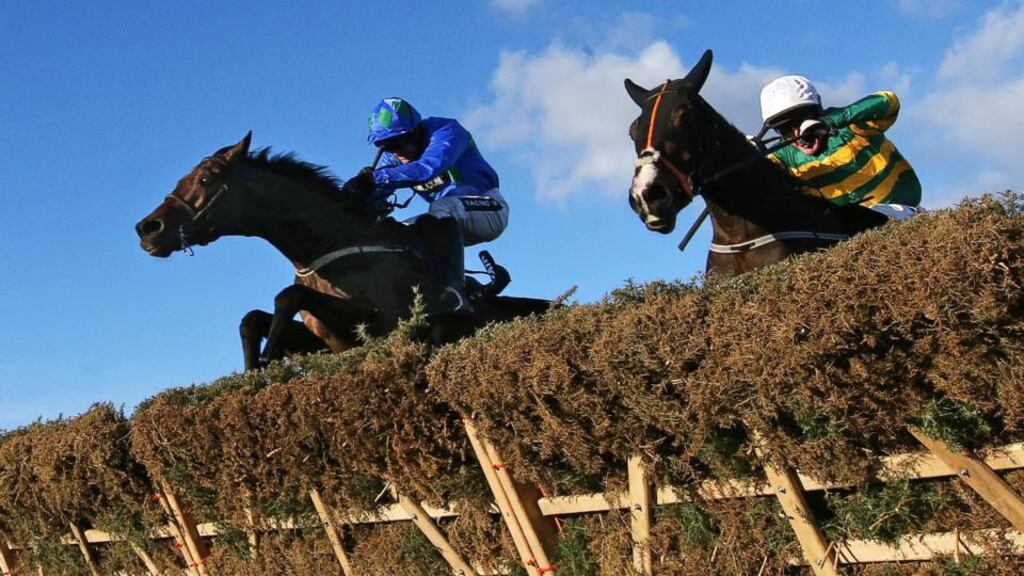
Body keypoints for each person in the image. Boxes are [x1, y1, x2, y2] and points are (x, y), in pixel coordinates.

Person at [342, 97, 508, 315]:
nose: (395, 152)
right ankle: (459, 286)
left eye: (397, 142)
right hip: (448, 225)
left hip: (489, 208)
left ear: (415, 131)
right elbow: (376, 191)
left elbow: (429, 167)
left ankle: (454, 292)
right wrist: (356, 197)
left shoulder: (447, 131)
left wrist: (375, 179)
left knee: (441, 209)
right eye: (386, 146)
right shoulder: (394, 157)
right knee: (396, 233)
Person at [759, 75, 922, 220]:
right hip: (843, 236)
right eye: (784, 128)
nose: (797, 134)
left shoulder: (852, 126)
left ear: (818, 112)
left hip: (901, 215)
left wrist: (833, 120)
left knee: (868, 218)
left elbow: (889, 100)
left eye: (800, 120)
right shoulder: (781, 157)